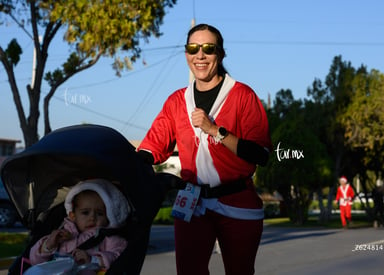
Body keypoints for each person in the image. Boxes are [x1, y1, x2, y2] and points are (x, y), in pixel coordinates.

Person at [137, 23, 272, 275]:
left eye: (208, 48)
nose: (200, 55)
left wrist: (215, 130)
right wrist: (125, 163)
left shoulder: (243, 96)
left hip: (237, 201)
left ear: (220, 54)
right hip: (192, 201)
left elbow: (261, 154)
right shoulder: (177, 101)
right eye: (193, 48)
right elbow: (153, 144)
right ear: (187, 54)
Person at [29, 179, 130, 273]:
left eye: (99, 213)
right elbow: (35, 262)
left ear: (108, 216)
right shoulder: (62, 234)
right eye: (85, 212)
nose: (92, 218)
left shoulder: (109, 238)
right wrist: (48, 245)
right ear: (72, 216)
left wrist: (93, 260)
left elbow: (119, 257)